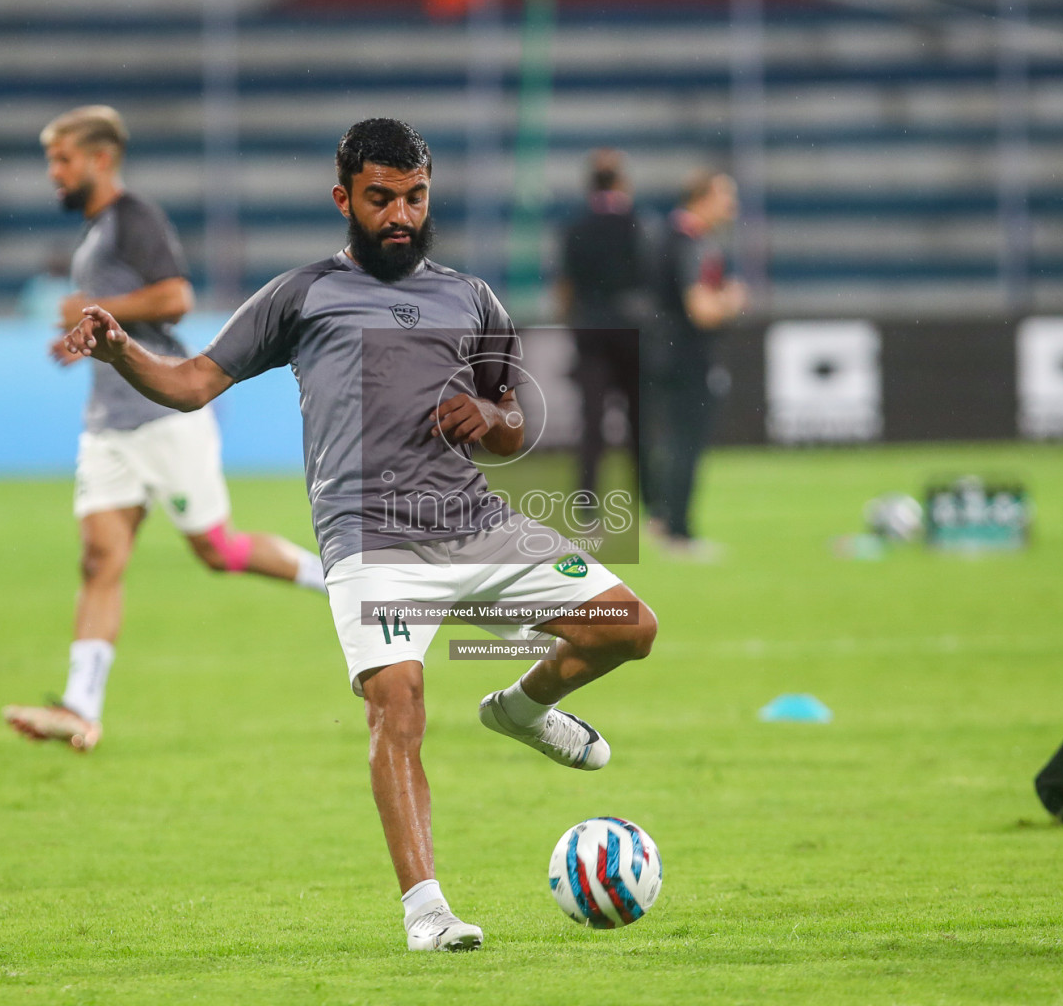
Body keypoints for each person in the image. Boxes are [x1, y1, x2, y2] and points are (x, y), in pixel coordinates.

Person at [60, 118, 659, 952]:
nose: (400, 215)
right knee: (398, 705)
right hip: (371, 543)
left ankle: (521, 709)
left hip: (475, 522)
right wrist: (123, 352)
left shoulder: (472, 297)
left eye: (414, 197)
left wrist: (491, 414)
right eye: (381, 199)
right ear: (345, 198)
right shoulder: (301, 296)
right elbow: (194, 382)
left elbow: (516, 425)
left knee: (631, 627)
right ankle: (427, 911)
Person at [3, 105, 327, 752]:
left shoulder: (134, 219)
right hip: (108, 424)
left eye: (62, 160)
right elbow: (117, 316)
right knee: (99, 560)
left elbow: (174, 296)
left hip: (160, 416)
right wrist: (83, 336)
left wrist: (99, 312)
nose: (54, 174)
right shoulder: (96, 234)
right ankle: (80, 707)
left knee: (219, 551)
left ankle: (342, 579)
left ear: (100, 159)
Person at [643, 169, 749, 556]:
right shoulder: (692, 243)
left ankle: (660, 519)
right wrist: (730, 301)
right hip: (687, 357)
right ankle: (679, 533)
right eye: (726, 197)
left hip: (660, 351)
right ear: (702, 198)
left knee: (667, 440)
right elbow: (701, 310)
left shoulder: (663, 235)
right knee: (686, 442)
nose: (732, 206)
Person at [557, 149, 647, 505]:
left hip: (590, 332)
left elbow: (564, 288)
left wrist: (573, 323)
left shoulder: (576, 228)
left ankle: (587, 502)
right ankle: (647, 498)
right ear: (622, 183)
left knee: (591, 421)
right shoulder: (639, 225)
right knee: (639, 417)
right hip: (632, 331)